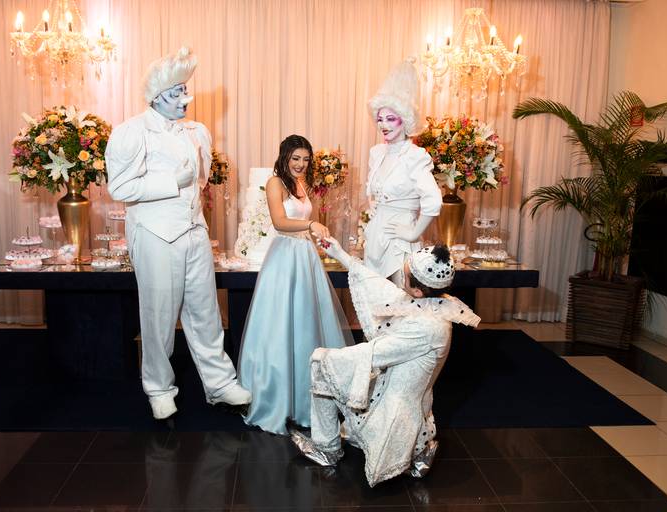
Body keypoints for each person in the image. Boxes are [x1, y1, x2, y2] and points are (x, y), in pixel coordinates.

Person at [105, 47, 251, 419]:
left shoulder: (196, 132)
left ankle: (220, 383)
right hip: (155, 235)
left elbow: (200, 182)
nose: (186, 99)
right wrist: (171, 181)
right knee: (158, 316)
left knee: (205, 311)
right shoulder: (131, 132)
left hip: (194, 230)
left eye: (185, 90)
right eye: (176, 93)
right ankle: (158, 387)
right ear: (156, 96)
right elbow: (120, 188)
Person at [290, 238, 480, 487]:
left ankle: (328, 449)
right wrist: (340, 254)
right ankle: (418, 452)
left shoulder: (428, 327)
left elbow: (374, 353)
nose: (401, 278)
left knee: (321, 363)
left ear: (418, 290)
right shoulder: (437, 303)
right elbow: (378, 285)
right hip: (394, 387)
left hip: (394, 406)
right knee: (332, 364)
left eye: (405, 275)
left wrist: (326, 356)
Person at [238, 134, 354, 435]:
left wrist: (317, 236)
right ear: (285, 158)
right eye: (296, 158)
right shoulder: (275, 183)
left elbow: (302, 222)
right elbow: (279, 222)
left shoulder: (302, 184)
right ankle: (277, 398)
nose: (301, 164)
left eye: (305, 159)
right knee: (280, 323)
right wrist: (310, 224)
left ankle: (309, 399)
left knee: (306, 321)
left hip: (305, 255)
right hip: (284, 257)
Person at [364, 60, 443, 286]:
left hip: (399, 239)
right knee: (375, 298)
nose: (384, 125)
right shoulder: (377, 153)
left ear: (405, 120)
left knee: (401, 298)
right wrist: (374, 204)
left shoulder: (414, 156)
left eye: (390, 119)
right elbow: (375, 189)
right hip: (375, 236)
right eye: (380, 119)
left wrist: (413, 233)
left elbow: (433, 200)